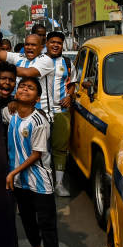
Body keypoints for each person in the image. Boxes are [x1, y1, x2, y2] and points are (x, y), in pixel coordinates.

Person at [3, 77, 59, 247]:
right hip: (20, 182)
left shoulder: (39, 121)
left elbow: (36, 154)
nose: (25, 89)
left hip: (40, 182)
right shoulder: (9, 113)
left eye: (31, 88)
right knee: (27, 221)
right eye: (22, 86)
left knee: (47, 225)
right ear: (16, 92)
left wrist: (12, 172)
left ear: (37, 99)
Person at [0, 13, 55, 119]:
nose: (29, 47)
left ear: (41, 47)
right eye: (27, 44)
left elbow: (27, 73)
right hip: (21, 113)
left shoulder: (46, 60)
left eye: (33, 45)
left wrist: (2, 69)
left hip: (41, 114)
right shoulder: (19, 57)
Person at [45, 31, 78, 197]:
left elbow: (72, 83)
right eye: (52, 42)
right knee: (40, 149)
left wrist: (69, 96)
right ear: (46, 43)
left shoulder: (67, 62)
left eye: (59, 42)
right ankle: (41, 185)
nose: (56, 45)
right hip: (40, 112)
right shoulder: (38, 61)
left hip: (61, 112)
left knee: (60, 149)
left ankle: (58, 184)